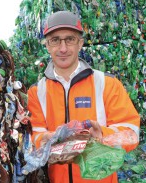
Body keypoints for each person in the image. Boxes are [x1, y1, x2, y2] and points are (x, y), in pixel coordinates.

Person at [27, 11, 140, 183]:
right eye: (55, 40)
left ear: (80, 44)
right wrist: (45, 140)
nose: (63, 48)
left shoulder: (107, 83)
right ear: (47, 46)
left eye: (70, 39)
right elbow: (34, 135)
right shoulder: (36, 92)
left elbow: (131, 133)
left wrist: (102, 135)